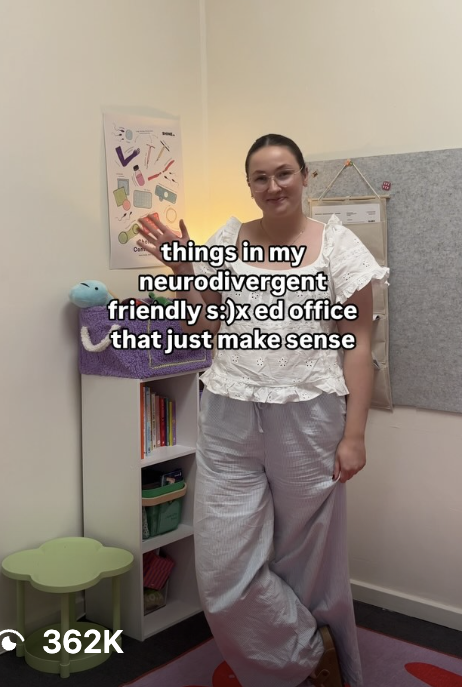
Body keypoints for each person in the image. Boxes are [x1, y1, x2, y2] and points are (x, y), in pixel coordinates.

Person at [137, 135, 389, 687]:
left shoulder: (339, 247)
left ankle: (319, 671)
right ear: (249, 185)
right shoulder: (227, 240)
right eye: (260, 177)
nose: (273, 186)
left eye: (283, 173)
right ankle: (303, 653)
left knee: (306, 560)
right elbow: (206, 325)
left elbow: (358, 346)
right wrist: (182, 271)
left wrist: (355, 435)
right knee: (221, 564)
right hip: (228, 415)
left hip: (309, 418)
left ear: (304, 176)